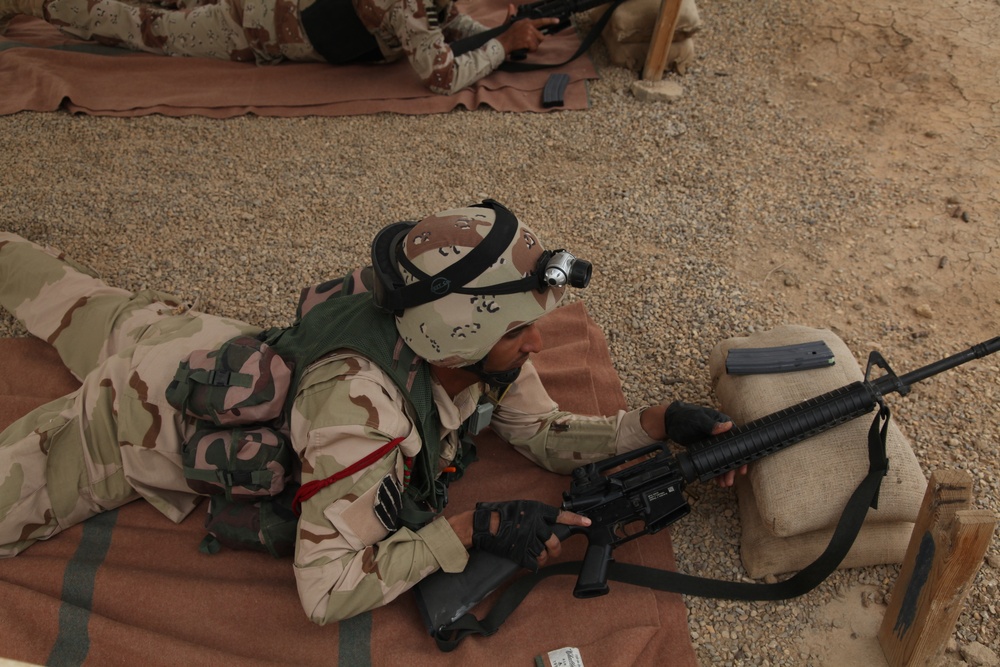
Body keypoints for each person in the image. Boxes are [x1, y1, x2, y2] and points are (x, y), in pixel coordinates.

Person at [0, 200, 741, 625]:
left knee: (47, 283)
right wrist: (467, 530)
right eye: (518, 331)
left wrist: (649, 423)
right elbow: (324, 590)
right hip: (128, 421)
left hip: (185, 337)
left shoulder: (449, 333)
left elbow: (540, 432)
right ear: (462, 335)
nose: (538, 342)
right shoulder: (360, 415)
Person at [0, 0, 559, 94]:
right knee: (141, 27)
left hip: (276, 19)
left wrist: (497, 32)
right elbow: (438, 75)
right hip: (250, 30)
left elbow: (445, 21)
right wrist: (503, 47)